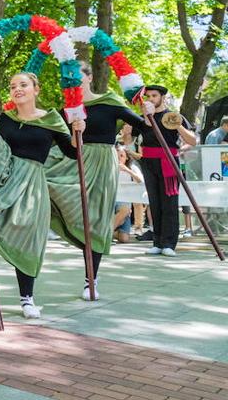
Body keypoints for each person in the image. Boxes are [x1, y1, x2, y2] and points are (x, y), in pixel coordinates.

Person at [0, 73, 78, 318]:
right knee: (6, 229)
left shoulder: (52, 120)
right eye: (13, 86)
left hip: (33, 186)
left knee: (30, 239)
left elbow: (73, 153)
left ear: (36, 89)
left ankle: (27, 297)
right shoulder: (5, 120)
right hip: (4, 181)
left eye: (23, 85)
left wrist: (79, 132)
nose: (17, 89)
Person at [41, 62, 146, 299]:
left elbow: (144, 126)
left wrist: (150, 112)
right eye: (67, 76)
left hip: (101, 163)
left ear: (88, 77)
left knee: (97, 219)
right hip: (72, 160)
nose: (72, 79)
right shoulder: (66, 110)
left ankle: (91, 280)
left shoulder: (109, 102)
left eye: (77, 75)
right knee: (41, 182)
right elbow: (54, 140)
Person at [126, 85, 197, 256]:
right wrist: (127, 133)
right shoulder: (143, 118)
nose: (150, 99)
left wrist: (177, 125)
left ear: (162, 97)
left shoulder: (174, 116)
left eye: (154, 95)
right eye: (148, 96)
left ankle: (169, 244)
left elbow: (192, 141)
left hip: (169, 161)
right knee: (154, 201)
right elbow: (129, 139)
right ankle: (157, 242)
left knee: (169, 203)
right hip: (148, 162)